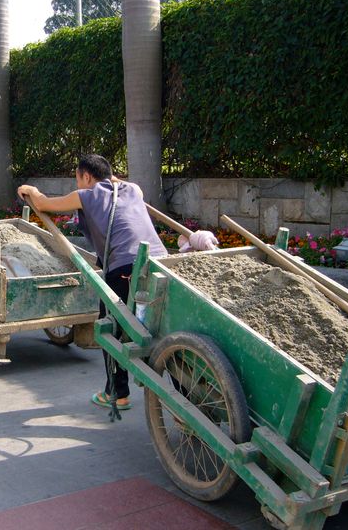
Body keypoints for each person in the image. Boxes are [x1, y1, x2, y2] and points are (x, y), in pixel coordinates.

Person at [18, 154, 217, 412]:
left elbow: (44, 204)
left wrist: (29, 190)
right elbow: (116, 183)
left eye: (78, 179)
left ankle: (118, 394)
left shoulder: (86, 195)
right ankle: (186, 397)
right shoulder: (134, 189)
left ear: (86, 177)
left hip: (124, 267)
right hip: (160, 264)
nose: (78, 184)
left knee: (110, 328)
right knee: (161, 330)